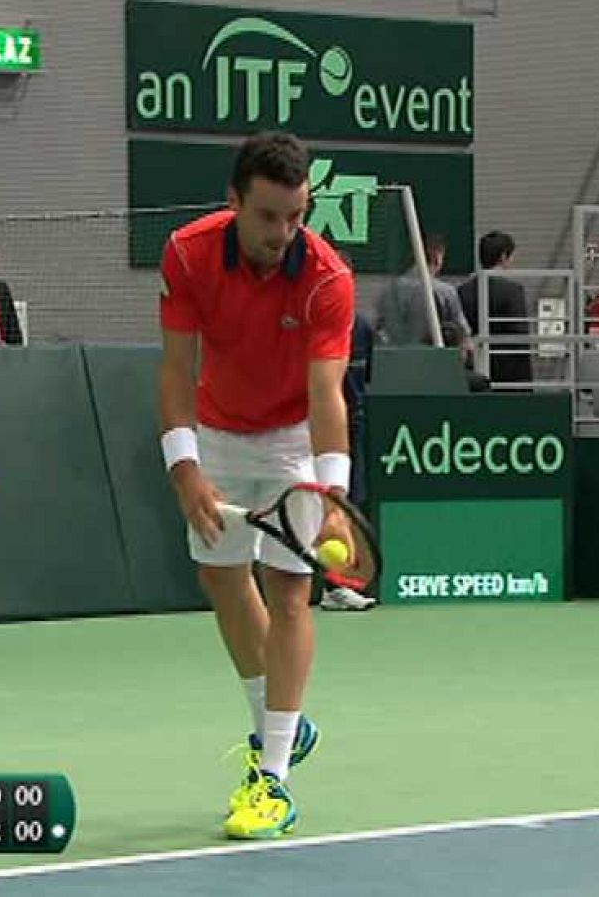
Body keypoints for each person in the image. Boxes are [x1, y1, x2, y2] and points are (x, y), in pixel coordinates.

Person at [158, 131, 354, 840]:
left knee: (291, 591)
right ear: (234, 202)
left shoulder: (328, 277)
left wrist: (329, 498)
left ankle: (273, 776)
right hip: (215, 429)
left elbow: (328, 395)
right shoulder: (187, 253)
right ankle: (281, 721)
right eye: (269, 216)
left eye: (296, 216)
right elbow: (176, 369)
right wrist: (185, 470)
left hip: (291, 438)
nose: (284, 232)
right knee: (220, 576)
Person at [319, 311, 377, 612]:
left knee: (350, 505)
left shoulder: (364, 327)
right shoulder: (311, 322)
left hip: (354, 425)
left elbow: (363, 378)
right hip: (317, 426)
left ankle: (337, 586)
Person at [457, 230, 533, 385]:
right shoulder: (513, 291)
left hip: (474, 369)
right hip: (509, 373)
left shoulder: (462, 291)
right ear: (504, 257)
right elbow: (520, 335)